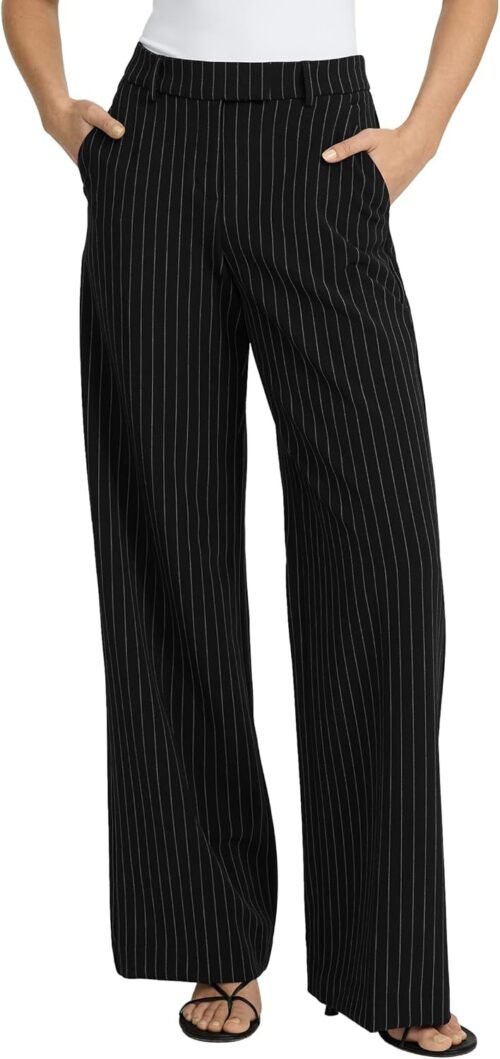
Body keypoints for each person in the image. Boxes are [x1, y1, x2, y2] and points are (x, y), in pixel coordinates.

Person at [3, 0, 495, 1052]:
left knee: (384, 559)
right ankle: (211, 931)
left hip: (322, 141)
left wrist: (420, 134)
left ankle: (390, 959)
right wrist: (53, 105)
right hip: (155, 139)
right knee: (166, 549)